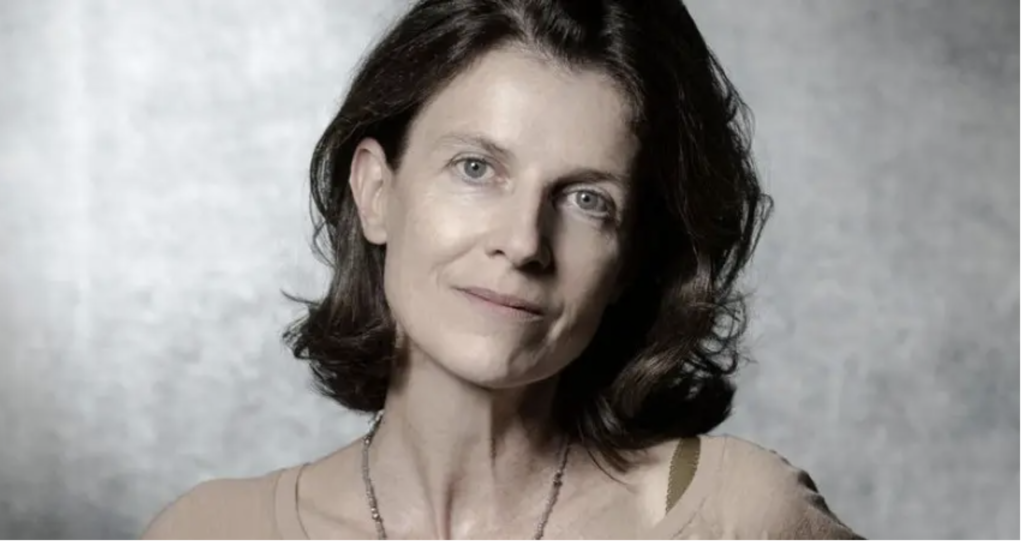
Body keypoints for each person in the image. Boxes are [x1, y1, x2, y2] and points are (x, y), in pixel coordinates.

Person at [143, 0, 861, 539]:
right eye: (476, 168)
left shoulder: (739, 518)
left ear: (630, 261)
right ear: (376, 192)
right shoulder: (209, 533)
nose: (523, 243)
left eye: (587, 200)